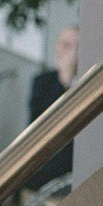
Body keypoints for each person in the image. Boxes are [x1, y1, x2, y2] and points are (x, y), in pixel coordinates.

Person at [24, 24, 79, 191]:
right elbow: (39, 125)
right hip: (45, 168)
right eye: (67, 46)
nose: (73, 54)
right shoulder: (43, 82)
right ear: (57, 48)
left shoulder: (92, 84)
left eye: (78, 47)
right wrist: (63, 83)